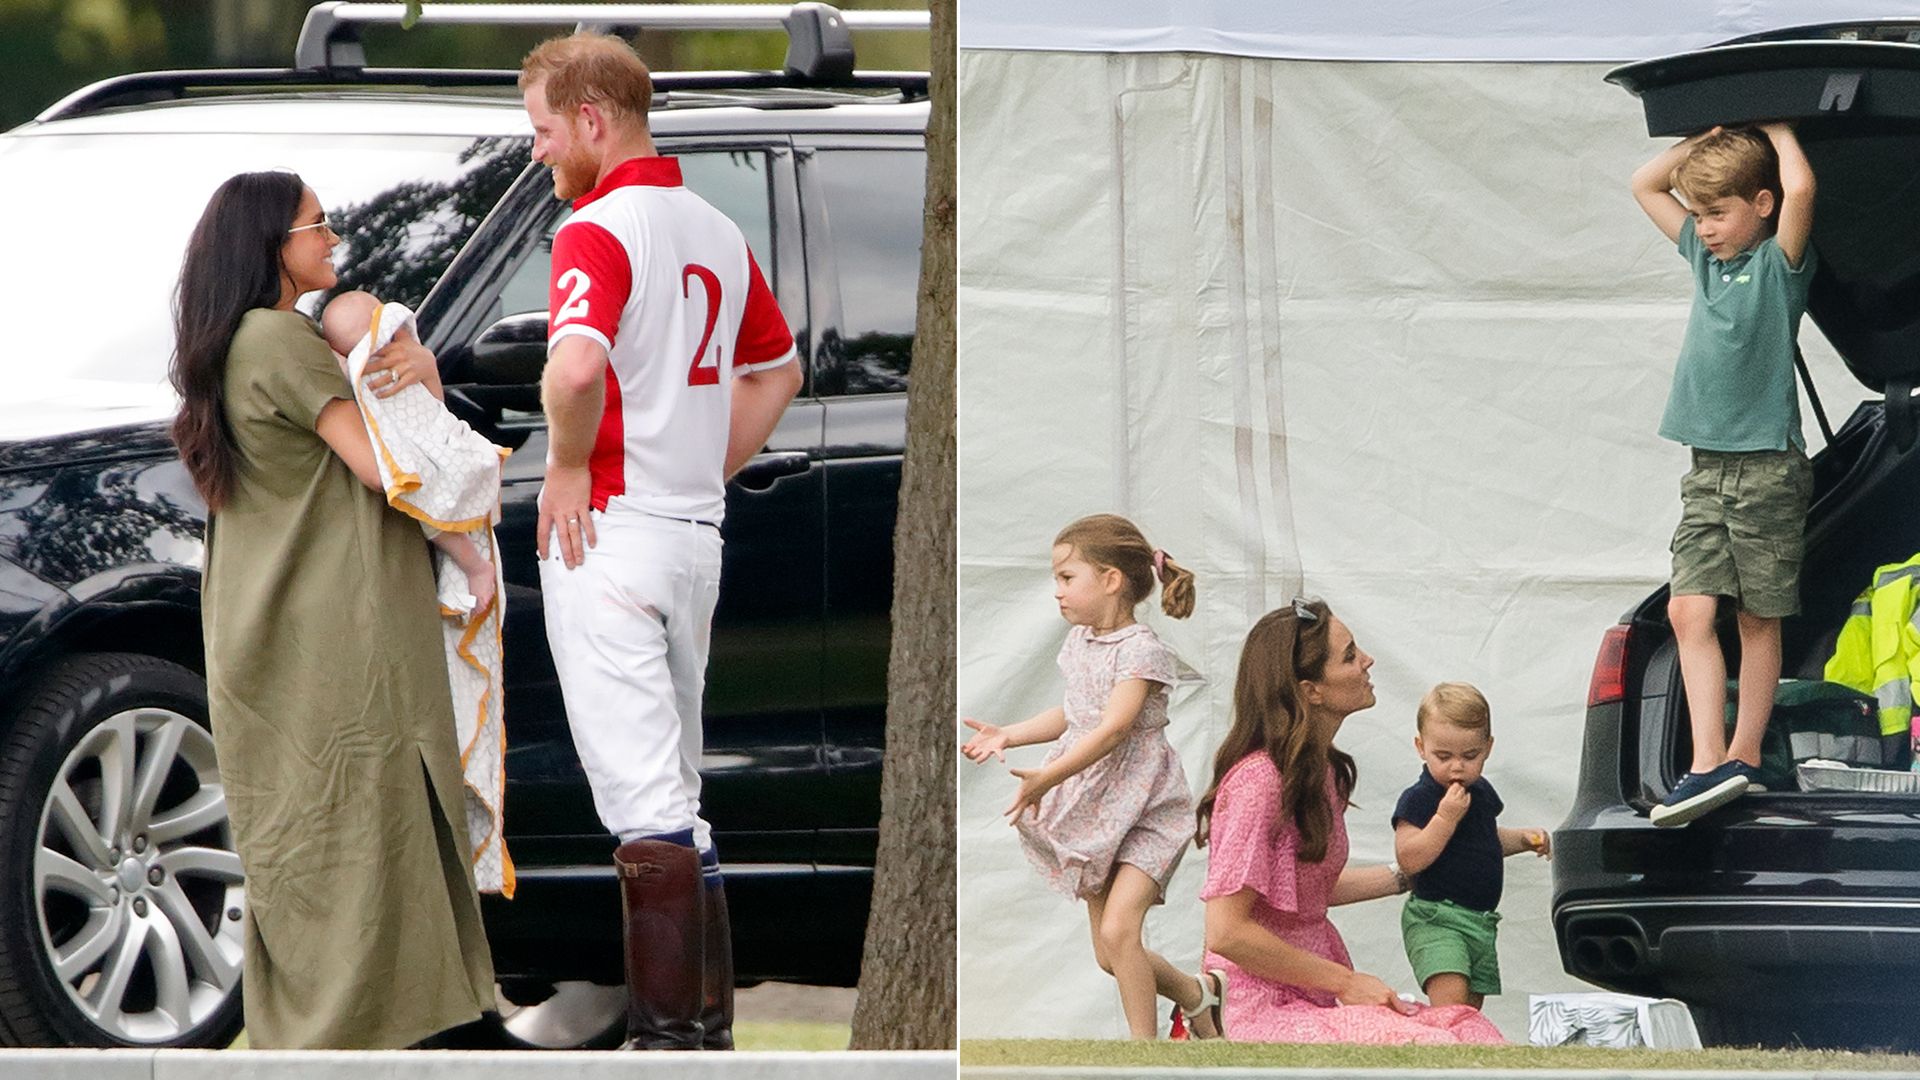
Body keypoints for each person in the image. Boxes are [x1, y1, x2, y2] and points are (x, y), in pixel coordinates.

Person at [518, 33, 803, 1050]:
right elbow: (779, 372)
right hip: (691, 534)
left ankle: (669, 1044)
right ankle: (704, 1036)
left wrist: (564, 462)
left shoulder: (597, 229)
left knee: (645, 803)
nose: (541, 153)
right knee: (680, 797)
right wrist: (698, 461)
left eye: (545, 132)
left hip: (612, 532)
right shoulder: (716, 225)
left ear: (593, 121)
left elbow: (575, 369)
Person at [168, 171, 495, 1049]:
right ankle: (374, 1036)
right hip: (335, 630)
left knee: (315, 834)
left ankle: (360, 1033)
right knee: (366, 828)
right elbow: (387, 464)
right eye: (318, 226)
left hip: (273, 629)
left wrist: (413, 368)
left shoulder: (239, 344)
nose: (334, 240)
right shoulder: (278, 340)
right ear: (271, 245)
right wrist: (468, 543)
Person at [1194, 599, 1504, 1044]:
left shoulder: (1325, 774)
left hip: (1312, 996)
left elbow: (1305, 893)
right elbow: (1226, 932)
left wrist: (1413, 873)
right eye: (1349, 654)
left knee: (1469, 1027)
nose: (1367, 660)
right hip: (1261, 1006)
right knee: (1437, 1043)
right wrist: (1344, 982)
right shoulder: (1257, 782)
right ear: (1311, 690)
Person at [963, 513, 1222, 1040]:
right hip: (1097, 814)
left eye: (1066, 578)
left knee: (1120, 929)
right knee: (1111, 955)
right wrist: (1009, 734)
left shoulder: (1142, 650)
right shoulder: (1080, 642)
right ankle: (1198, 996)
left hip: (1148, 811)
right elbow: (1077, 712)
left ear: (1111, 580)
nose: (1056, 592)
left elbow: (1113, 729)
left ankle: (1142, 1052)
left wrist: (1047, 777)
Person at [1629, 123, 1817, 827]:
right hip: (1706, 466)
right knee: (1688, 610)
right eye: (1698, 214)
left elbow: (1801, 186)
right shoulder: (1702, 262)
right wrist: (1703, 140)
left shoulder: (1777, 267)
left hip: (1767, 467)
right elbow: (1645, 183)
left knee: (1756, 615)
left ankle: (1741, 753)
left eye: (1718, 213)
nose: (1704, 228)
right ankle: (1707, 761)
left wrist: (1774, 128)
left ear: (1760, 204)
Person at [319, 288, 514, 897]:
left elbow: (438, 441)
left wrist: (427, 372)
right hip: (434, 551)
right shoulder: (363, 392)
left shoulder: (400, 375)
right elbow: (412, 474)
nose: (399, 347)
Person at [319, 289, 499, 622]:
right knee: (431, 511)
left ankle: (476, 567)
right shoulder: (354, 378)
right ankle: (475, 567)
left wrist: (427, 368)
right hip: (421, 473)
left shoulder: (405, 360)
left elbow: (432, 413)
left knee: (430, 509)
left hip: (435, 459)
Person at [1391, 682, 1551, 1010]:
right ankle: (1442, 1048)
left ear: (1488, 747)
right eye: (1443, 756)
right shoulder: (1420, 798)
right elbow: (1409, 858)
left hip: (1480, 921)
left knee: (1470, 1010)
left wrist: (1521, 839)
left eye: (1470, 756)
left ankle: (1461, 1051)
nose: (1457, 767)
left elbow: (1484, 841)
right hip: (1436, 916)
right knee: (1451, 1004)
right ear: (1421, 747)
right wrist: (1444, 819)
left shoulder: (1480, 793)